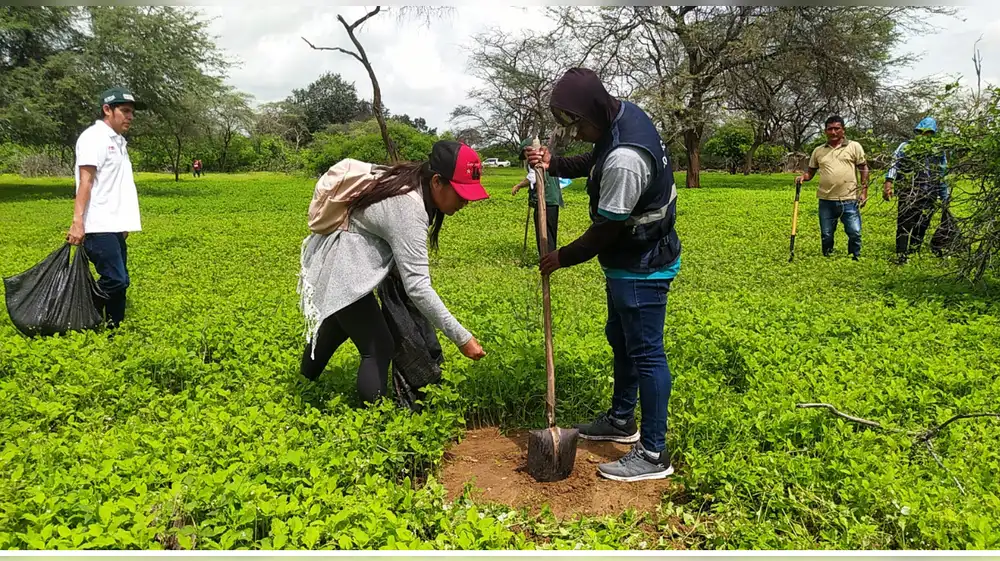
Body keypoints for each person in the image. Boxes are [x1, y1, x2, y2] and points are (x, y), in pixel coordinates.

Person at [525, 68, 681, 482]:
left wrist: (561, 257)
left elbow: (606, 229)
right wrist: (553, 163)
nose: (575, 133)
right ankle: (621, 421)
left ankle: (653, 453)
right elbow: (594, 159)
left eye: (577, 124)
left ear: (594, 110)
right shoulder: (622, 116)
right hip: (625, 261)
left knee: (646, 353)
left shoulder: (626, 160)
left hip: (642, 264)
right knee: (622, 339)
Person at [298, 140, 488, 404]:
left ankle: (304, 383)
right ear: (436, 182)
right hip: (343, 268)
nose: (465, 201)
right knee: (378, 347)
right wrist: (462, 338)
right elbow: (418, 286)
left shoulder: (412, 182)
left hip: (340, 262)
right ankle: (375, 420)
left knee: (339, 321)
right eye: (460, 192)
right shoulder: (409, 209)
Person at [66, 87, 146, 329]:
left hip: (115, 225)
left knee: (122, 282)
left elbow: (116, 185)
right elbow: (85, 182)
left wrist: (124, 224)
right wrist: (78, 222)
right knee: (115, 280)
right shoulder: (93, 139)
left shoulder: (119, 142)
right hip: (98, 224)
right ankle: (75, 308)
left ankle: (114, 331)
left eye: (132, 112)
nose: (130, 117)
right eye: (125, 111)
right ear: (107, 110)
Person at [796, 116, 870, 260]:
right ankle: (827, 257)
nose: (833, 132)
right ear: (825, 131)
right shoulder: (818, 151)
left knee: (854, 231)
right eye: (830, 129)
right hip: (826, 199)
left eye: (837, 128)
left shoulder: (854, 146)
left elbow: (863, 168)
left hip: (849, 198)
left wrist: (864, 190)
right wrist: (802, 178)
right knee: (826, 234)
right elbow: (810, 173)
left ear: (843, 130)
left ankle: (855, 256)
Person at [883, 116, 950, 264]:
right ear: (917, 132)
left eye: (928, 132)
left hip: (930, 193)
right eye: (921, 132)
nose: (924, 135)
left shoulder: (938, 151)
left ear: (934, 134)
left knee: (923, 223)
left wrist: (945, 196)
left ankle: (914, 252)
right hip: (909, 192)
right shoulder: (906, 147)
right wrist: (888, 183)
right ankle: (901, 254)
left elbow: (943, 174)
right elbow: (895, 164)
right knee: (905, 222)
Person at [512, 137, 564, 255]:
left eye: (525, 154)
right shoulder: (548, 160)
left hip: (545, 201)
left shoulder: (537, 162)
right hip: (552, 200)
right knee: (549, 232)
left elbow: (532, 178)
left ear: (528, 150)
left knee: (544, 233)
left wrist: (518, 186)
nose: (526, 158)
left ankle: (546, 258)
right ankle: (548, 256)